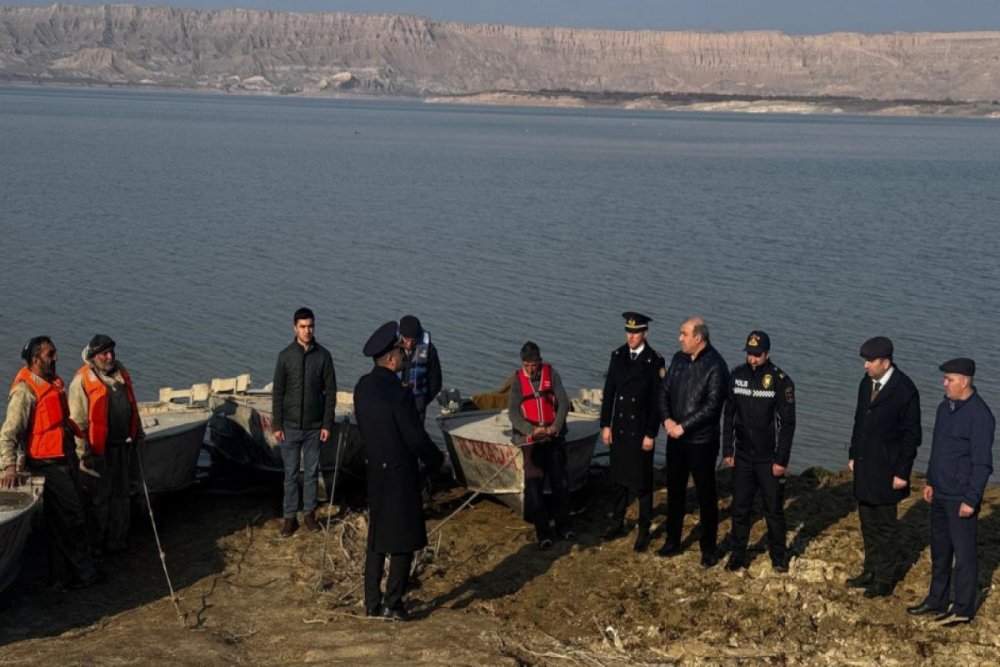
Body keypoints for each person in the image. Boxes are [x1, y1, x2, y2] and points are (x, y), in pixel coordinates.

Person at [354, 321, 444, 621]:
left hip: (375, 473)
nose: (404, 355)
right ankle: (393, 603)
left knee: (377, 539)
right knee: (404, 540)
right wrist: (437, 461)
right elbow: (415, 437)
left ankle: (370, 604)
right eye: (399, 352)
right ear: (391, 359)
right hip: (400, 474)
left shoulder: (362, 388)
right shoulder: (399, 394)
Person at [1, 337, 102, 590]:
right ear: (35, 360)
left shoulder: (52, 383)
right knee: (72, 516)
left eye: (54, 352)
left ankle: (62, 576)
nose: (56, 358)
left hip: (63, 457)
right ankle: (84, 574)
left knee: (63, 518)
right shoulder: (24, 392)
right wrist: (9, 466)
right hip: (46, 463)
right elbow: (9, 433)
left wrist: (80, 449)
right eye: (50, 354)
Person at [907, 358, 994, 626]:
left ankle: (964, 608)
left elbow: (982, 464)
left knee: (964, 555)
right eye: (945, 379)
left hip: (961, 497)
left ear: (965, 381)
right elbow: (938, 450)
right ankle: (937, 599)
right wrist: (930, 481)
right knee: (940, 551)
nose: (944, 383)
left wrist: (971, 499)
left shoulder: (980, 415)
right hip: (940, 491)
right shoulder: (945, 408)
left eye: (950, 379)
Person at [846, 336, 921, 598]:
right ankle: (870, 570)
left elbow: (912, 436)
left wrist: (902, 472)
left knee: (886, 527)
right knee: (868, 523)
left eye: (870, 361)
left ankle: (886, 578)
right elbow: (859, 421)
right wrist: (853, 454)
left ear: (885, 362)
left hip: (889, 470)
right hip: (865, 464)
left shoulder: (904, 390)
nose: (865, 366)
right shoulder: (866, 383)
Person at [655, 317, 729, 567]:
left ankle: (708, 549)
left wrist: (683, 426)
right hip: (675, 438)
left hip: (701, 441)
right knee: (675, 492)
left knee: (706, 495)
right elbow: (664, 391)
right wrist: (666, 420)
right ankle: (672, 541)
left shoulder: (717, 366)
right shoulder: (678, 359)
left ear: (698, 337)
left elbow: (712, 407)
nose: (680, 338)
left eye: (684, 334)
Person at [722, 331, 796, 572]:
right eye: (749, 354)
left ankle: (778, 556)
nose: (752, 359)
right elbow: (728, 415)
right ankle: (737, 555)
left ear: (767, 354)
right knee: (740, 508)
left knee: (773, 510)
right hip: (742, 455)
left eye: (757, 355)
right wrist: (727, 449)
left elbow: (788, 424)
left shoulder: (780, 381)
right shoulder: (737, 376)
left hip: (768, 459)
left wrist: (781, 459)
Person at [68, 334, 145, 555]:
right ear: (94, 357)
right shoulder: (81, 381)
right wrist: (84, 454)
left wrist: (138, 435)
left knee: (121, 498)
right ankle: (95, 548)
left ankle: (117, 542)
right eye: (104, 353)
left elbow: (132, 407)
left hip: (120, 447)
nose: (110, 356)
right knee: (97, 502)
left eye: (112, 351)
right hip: (95, 454)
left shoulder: (121, 373)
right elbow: (77, 423)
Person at [599, 312, 665, 552]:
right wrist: (605, 425)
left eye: (636, 332)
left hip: (640, 431)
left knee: (642, 484)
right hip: (620, 428)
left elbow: (658, 402)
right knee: (618, 479)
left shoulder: (654, 360)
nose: (631, 336)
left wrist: (651, 433)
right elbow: (610, 393)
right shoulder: (617, 356)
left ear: (644, 333)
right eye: (628, 331)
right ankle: (617, 522)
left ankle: (644, 530)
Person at [271, 307, 337, 538]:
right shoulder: (285, 356)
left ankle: (309, 514)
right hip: (289, 426)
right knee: (289, 475)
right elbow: (278, 392)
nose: (307, 330)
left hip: (314, 426)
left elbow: (330, 392)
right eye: (303, 326)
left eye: (310, 326)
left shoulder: (323, 356)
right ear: (295, 328)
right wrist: (276, 425)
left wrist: (327, 424)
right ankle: (289, 518)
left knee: (311, 473)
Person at [508, 341, 573, 550]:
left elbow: (563, 402)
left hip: (552, 437)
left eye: (533, 364)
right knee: (534, 488)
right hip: (532, 440)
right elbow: (513, 412)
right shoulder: (518, 381)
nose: (530, 369)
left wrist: (555, 426)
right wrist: (529, 431)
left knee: (560, 483)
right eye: (526, 365)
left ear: (540, 361)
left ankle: (564, 527)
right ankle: (543, 533)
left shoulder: (551, 374)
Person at [397, 315, 442, 422]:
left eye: (413, 340)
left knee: (414, 436)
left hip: (417, 404)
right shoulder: (391, 346)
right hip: (394, 399)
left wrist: (422, 401)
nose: (409, 344)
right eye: (406, 340)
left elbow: (436, 382)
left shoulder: (430, 351)